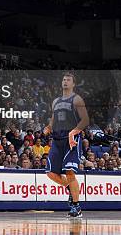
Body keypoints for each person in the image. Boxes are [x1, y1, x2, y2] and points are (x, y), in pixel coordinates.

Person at [43, 73, 89, 218]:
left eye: (68, 80)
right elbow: (53, 118)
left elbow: (85, 120)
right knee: (50, 173)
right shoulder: (55, 101)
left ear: (73, 84)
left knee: (69, 172)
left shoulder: (76, 99)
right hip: (57, 140)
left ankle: (76, 206)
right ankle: (71, 188)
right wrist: (48, 127)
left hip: (71, 139)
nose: (65, 81)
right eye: (63, 79)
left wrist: (72, 133)